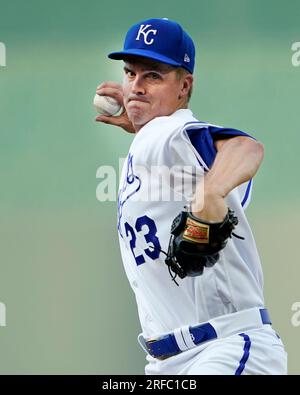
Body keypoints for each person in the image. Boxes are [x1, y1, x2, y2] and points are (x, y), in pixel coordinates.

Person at [95, 18, 287, 375]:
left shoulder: (167, 132)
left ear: (184, 86)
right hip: (170, 361)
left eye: (153, 75)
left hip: (223, 348)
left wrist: (209, 194)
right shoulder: (155, 145)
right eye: (130, 73)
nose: (136, 86)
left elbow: (246, 147)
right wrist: (140, 125)